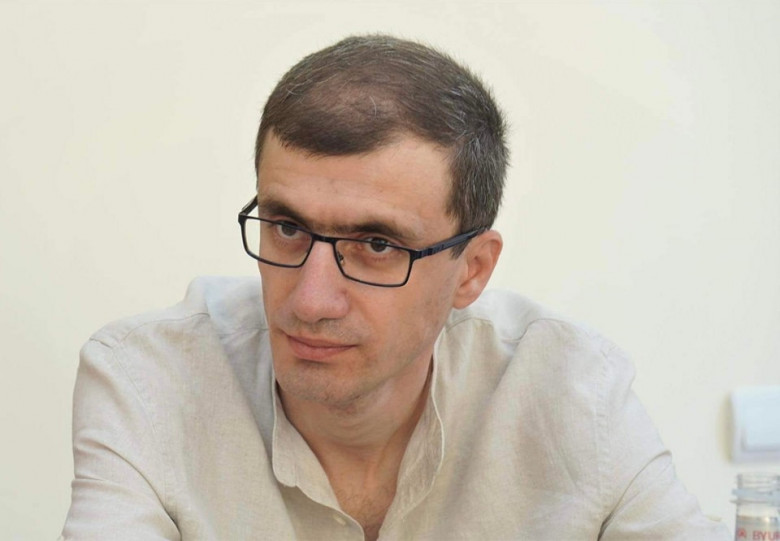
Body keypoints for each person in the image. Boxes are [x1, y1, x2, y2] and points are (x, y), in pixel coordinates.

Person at [62, 35, 729, 540]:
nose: (310, 301)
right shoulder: (147, 381)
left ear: (472, 269)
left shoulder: (576, 393)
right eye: (287, 228)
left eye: (377, 245)